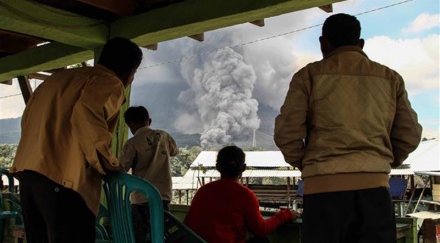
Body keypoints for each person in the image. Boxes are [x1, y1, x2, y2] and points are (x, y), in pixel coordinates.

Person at [274, 13, 422, 243]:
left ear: (323, 43)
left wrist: (309, 164)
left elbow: (286, 134)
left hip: (322, 193)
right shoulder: (390, 78)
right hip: (375, 192)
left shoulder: (308, 76)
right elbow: (410, 134)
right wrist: (381, 162)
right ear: (360, 44)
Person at [11, 37, 143, 243]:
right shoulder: (109, 82)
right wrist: (109, 163)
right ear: (130, 73)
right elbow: (86, 114)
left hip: (29, 177)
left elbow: (27, 121)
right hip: (64, 183)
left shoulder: (57, 80)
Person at [184, 145, 300, 243]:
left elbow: (188, 223)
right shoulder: (245, 195)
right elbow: (260, 229)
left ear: (218, 167)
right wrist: (285, 215)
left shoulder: (203, 191)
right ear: (244, 168)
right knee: (261, 241)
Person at [118, 105, 179, 243]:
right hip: (162, 196)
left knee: (139, 236)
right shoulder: (164, 136)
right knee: (160, 235)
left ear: (130, 125)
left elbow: (122, 168)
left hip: (140, 198)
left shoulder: (132, 143)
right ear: (149, 121)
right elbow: (175, 151)